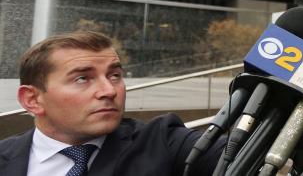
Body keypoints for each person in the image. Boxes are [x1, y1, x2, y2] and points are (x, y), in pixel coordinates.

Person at [0, 31, 225, 176]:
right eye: (82, 79)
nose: (109, 90)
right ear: (32, 99)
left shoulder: (164, 142)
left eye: (115, 75)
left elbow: (247, 153)